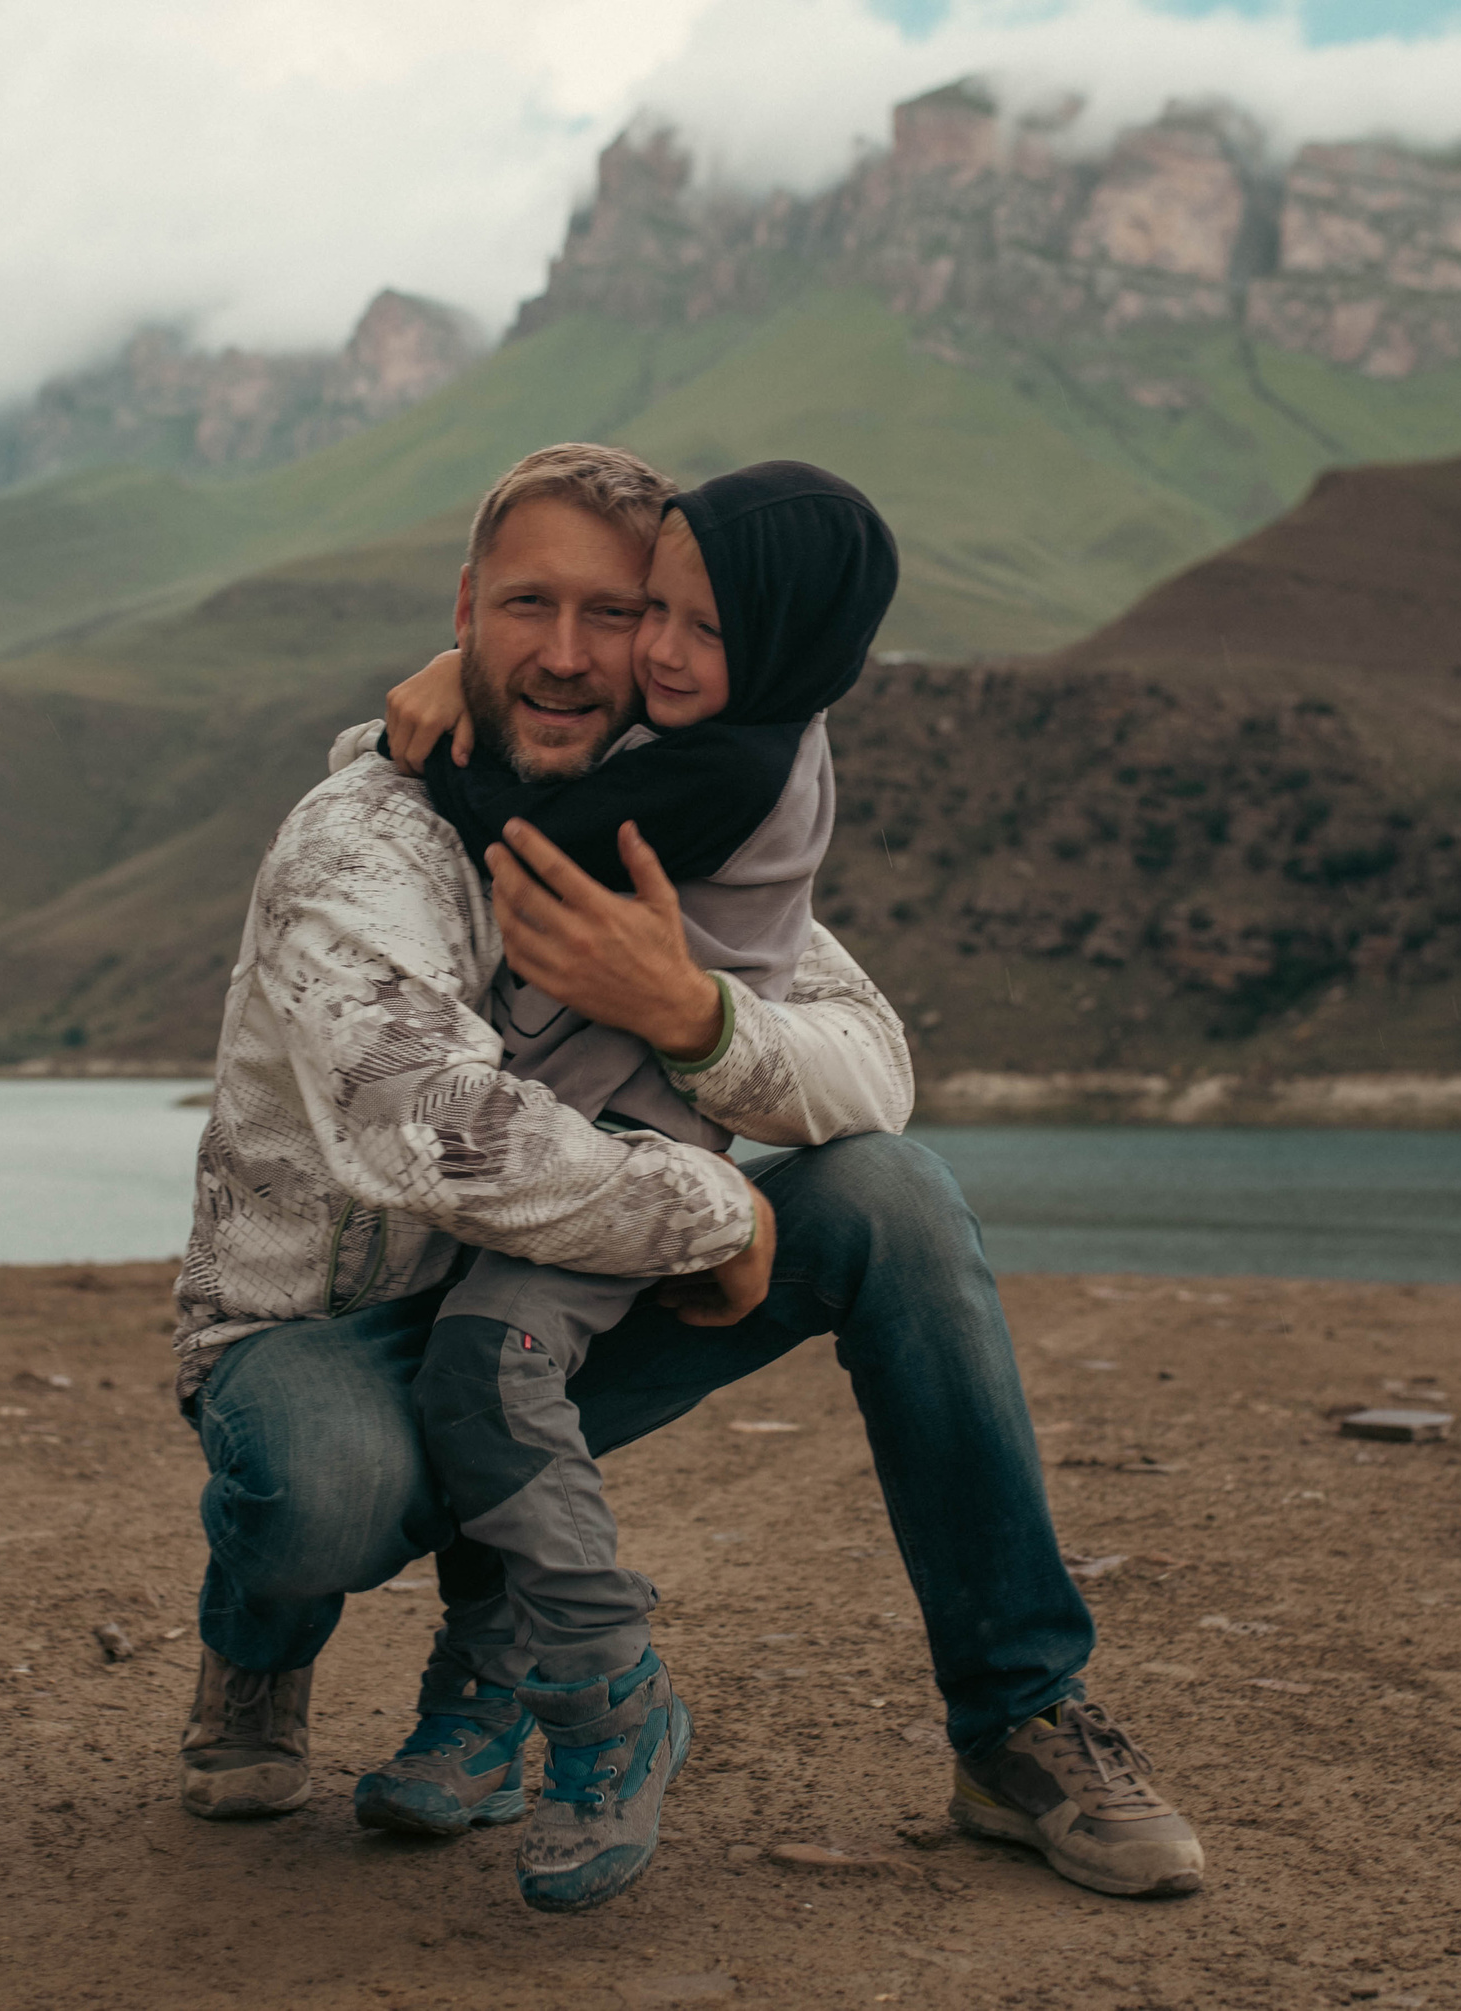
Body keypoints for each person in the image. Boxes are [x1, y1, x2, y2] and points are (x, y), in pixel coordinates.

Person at [170, 442, 1205, 1909]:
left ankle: (1020, 1720)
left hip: (538, 1298)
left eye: (636, 612)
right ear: (463, 612)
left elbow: (870, 1063)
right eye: (534, 607)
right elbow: (428, 1122)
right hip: (326, 1338)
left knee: (894, 1197)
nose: (593, 655)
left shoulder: (664, 809)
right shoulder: (363, 841)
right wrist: (712, 1208)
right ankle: (259, 1642)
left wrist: (692, 1014)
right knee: (322, 1488)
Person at [334, 462, 887, 1913]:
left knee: (490, 1378)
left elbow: (514, 844)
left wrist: (437, 715)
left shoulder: (728, 762)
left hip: (630, 1152)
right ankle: (481, 1699)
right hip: (571, 1124)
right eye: (665, 618)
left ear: (779, 642)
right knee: (483, 1410)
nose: (655, 658)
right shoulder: (757, 724)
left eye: (696, 629)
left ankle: (605, 1702)